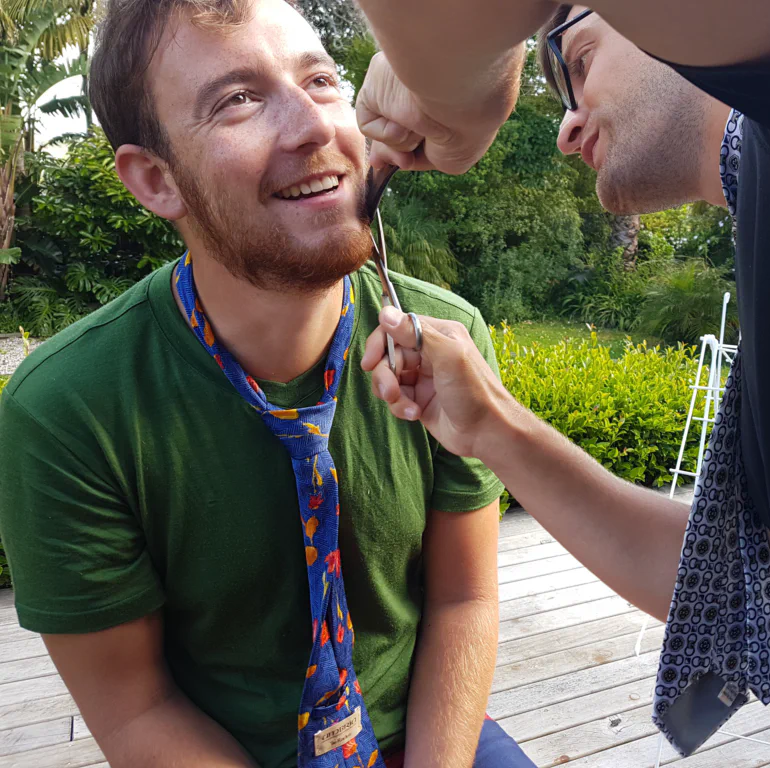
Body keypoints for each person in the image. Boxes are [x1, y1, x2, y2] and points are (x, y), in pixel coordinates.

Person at [356, 1, 770, 765]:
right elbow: (736, 576)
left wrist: (449, 81)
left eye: (576, 62)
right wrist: (489, 426)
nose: (567, 128)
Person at [0, 1, 536, 766]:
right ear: (156, 179)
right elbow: (135, 710)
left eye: (320, 79)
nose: (315, 126)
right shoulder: (70, 410)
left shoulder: (444, 341)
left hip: (423, 731)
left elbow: (463, 599)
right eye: (238, 100)